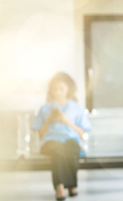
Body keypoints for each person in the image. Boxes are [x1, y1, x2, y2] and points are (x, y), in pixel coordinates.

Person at [32, 72, 91, 201]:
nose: (57, 93)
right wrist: (48, 120)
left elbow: (83, 133)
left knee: (71, 148)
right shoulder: (45, 109)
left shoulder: (76, 108)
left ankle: (68, 185)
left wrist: (66, 121)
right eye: (55, 90)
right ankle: (63, 186)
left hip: (70, 139)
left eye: (61, 89)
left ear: (68, 89)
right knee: (58, 150)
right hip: (50, 141)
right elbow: (40, 135)